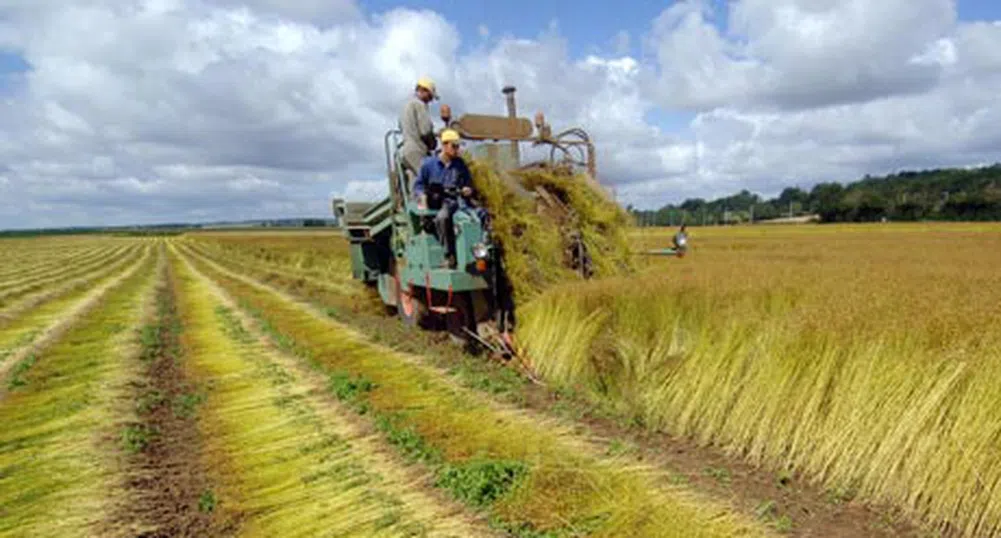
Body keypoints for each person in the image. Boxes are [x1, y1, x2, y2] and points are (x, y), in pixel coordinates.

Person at [413, 129, 488, 268]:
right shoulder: (428, 164)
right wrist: (422, 197)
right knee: (443, 217)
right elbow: (418, 185)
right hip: (441, 202)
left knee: (482, 213)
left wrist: (468, 189)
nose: (457, 149)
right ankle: (449, 255)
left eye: (458, 146)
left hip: (459, 201)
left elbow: (469, 184)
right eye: (454, 146)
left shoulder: (460, 164)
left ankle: (482, 251)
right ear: (444, 145)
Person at [399, 76, 439, 185]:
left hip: (406, 152)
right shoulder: (420, 105)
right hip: (417, 150)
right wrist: (433, 143)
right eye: (430, 96)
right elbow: (425, 131)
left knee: (416, 187)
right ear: (423, 91)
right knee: (433, 183)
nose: (430, 100)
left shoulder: (405, 106)